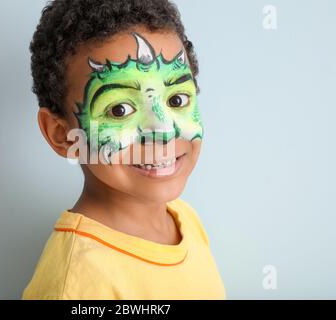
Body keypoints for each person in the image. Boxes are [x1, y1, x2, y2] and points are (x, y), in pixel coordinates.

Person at [23, 0, 225, 299]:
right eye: (119, 109)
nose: (163, 131)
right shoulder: (76, 285)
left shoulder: (184, 218)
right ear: (62, 134)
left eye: (177, 100)